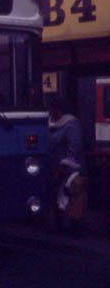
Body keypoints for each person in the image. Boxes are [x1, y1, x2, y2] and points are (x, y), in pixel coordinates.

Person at [47, 97, 88, 236]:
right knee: (56, 198)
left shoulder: (72, 124)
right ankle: (59, 226)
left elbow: (74, 149)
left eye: (52, 108)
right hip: (53, 167)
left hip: (70, 169)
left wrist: (63, 167)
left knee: (73, 196)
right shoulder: (51, 123)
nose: (50, 112)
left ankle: (74, 228)